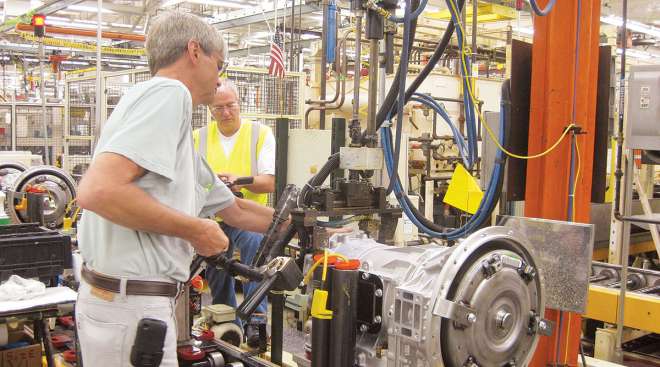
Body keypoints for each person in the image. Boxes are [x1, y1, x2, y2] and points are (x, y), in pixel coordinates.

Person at [74, 11, 286, 367]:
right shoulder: (169, 93)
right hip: (131, 308)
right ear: (194, 51)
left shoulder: (175, 130)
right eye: (219, 64)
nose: (219, 80)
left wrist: (305, 224)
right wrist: (196, 230)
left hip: (130, 306)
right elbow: (97, 192)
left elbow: (234, 209)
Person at [193, 81, 275, 347]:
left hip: (249, 217)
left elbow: (271, 181)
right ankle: (226, 323)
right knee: (216, 263)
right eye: (219, 107)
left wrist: (240, 181)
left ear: (239, 105)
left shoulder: (260, 134)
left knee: (253, 247)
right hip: (212, 217)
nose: (226, 112)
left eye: (231, 106)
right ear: (210, 110)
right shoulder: (198, 137)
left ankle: (256, 321)